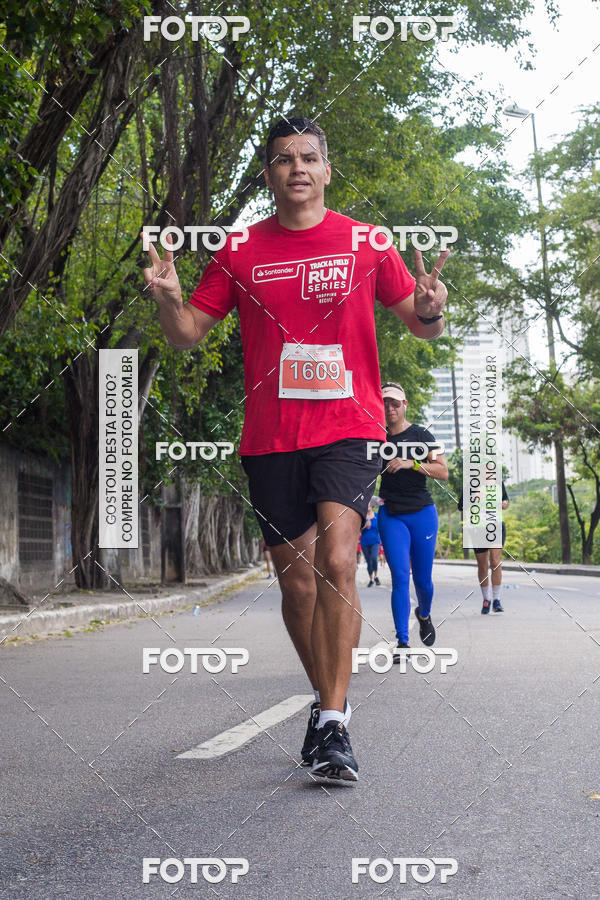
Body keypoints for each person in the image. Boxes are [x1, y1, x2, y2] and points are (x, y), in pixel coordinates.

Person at [142, 117, 448, 781]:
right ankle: (324, 702)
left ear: (327, 170)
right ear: (269, 174)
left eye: (309, 157)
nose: (297, 168)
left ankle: (335, 723)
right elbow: (188, 333)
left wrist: (431, 307)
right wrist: (168, 298)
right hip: (273, 436)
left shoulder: (367, 242)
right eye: (283, 159)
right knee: (298, 580)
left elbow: (419, 326)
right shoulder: (240, 248)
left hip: (349, 427)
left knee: (339, 558)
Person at [377, 383, 448, 661]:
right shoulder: (376, 437)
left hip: (422, 513)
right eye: (385, 403)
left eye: (395, 403)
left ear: (404, 404)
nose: (390, 408)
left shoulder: (421, 434)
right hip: (391, 515)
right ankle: (402, 643)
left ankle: (424, 614)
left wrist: (412, 463)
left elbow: (443, 471)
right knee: (399, 578)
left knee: (423, 581)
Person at [458, 483, 509, 613]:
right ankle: (486, 599)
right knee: (482, 565)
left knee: (495, 562)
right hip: (478, 527)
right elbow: (461, 506)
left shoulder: (498, 483)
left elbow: (506, 501)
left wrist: (503, 504)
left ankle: (496, 599)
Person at [360, 505, 381, 586]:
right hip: (364, 542)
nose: (368, 506)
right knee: (369, 561)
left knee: (374, 557)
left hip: (375, 541)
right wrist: (365, 525)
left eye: (369, 504)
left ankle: (376, 576)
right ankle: (371, 579)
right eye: (367, 504)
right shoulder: (362, 516)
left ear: (372, 506)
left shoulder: (377, 516)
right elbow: (357, 529)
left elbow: (381, 528)